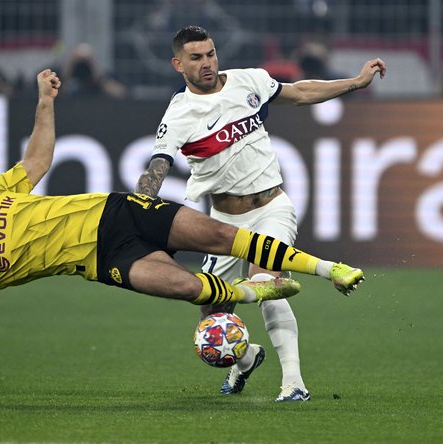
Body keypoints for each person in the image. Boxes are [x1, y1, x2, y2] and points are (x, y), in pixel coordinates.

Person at [0, 69, 363, 401]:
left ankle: (319, 292)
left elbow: (36, 163)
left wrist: (45, 101)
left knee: (223, 238)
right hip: (104, 260)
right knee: (192, 291)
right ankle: (248, 324)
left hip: (117, 210)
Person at [135, 26, 383, 402]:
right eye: (197, 58)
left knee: (267, 281)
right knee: (211, 319)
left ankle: (294, 383)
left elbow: (299, 92)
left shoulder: (248, 81)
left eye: (211, 54)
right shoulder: (180, 112)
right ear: (178, 64)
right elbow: (158, 166)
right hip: (223, 224)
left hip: (270, 207)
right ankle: (247, 358)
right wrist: (140, 204)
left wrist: (356, 82)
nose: (207, 63)